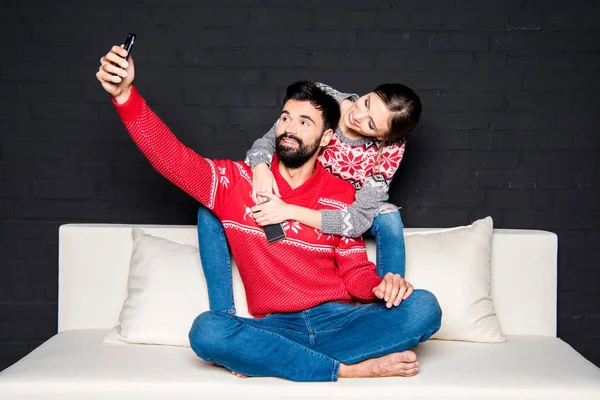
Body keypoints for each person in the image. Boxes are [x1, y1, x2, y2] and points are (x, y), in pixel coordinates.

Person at [96, 44, 441, 382]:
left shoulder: (342, 195)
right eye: (286, 118)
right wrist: (125, 96)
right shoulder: (236, 182)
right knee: (207, 330)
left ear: (326, 139)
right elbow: (171, 158)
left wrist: (383, 286)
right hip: (277, 327)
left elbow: (355, 273)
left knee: (424, 306)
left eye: (305, 122)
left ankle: (279, 361)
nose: (290, 127)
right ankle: (347, 370)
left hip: (339, 321)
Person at [198, 82, 421, 314]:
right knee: (210, 209)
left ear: (385, 137)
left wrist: (291, 211)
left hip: (345, 209)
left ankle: (390, 305)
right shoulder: (322, 100)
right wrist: (261, 168)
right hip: (298, 192)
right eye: (366, 103)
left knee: (390, 218)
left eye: (371, 124)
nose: (358, 115)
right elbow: (270, 141)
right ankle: (222, 314)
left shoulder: (391, 149)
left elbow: (358, 221)